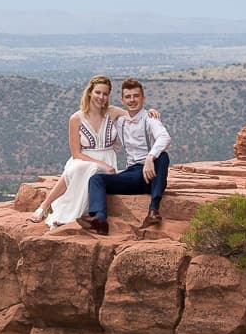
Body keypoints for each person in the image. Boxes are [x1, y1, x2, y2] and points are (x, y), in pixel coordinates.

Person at [29, 75, 159, 228]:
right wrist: (100, 163)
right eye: (98, 92)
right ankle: (48, 207)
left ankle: (59, 212)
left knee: (84, 171)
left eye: (105, 94)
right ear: (90, 92)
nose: (101, 97)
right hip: (84, 158)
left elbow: (136, 113)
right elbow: (76, 153)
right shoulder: (76, 118)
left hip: (108, 158)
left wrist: (150, 111)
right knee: (83, 168)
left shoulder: (113, 112)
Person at [80, 77, 171, 235]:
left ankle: (153, 210)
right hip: (133, 176)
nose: (132, 100)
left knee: (163, 156)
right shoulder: (120, 122)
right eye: (128, 97)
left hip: (152, 176)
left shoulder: (150, 119)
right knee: (97, 179)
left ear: (143, 98)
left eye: (136, 96)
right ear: (122, 100)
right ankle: (100, 221)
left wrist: (150, 158)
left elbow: (165, 138)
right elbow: (108, 138)